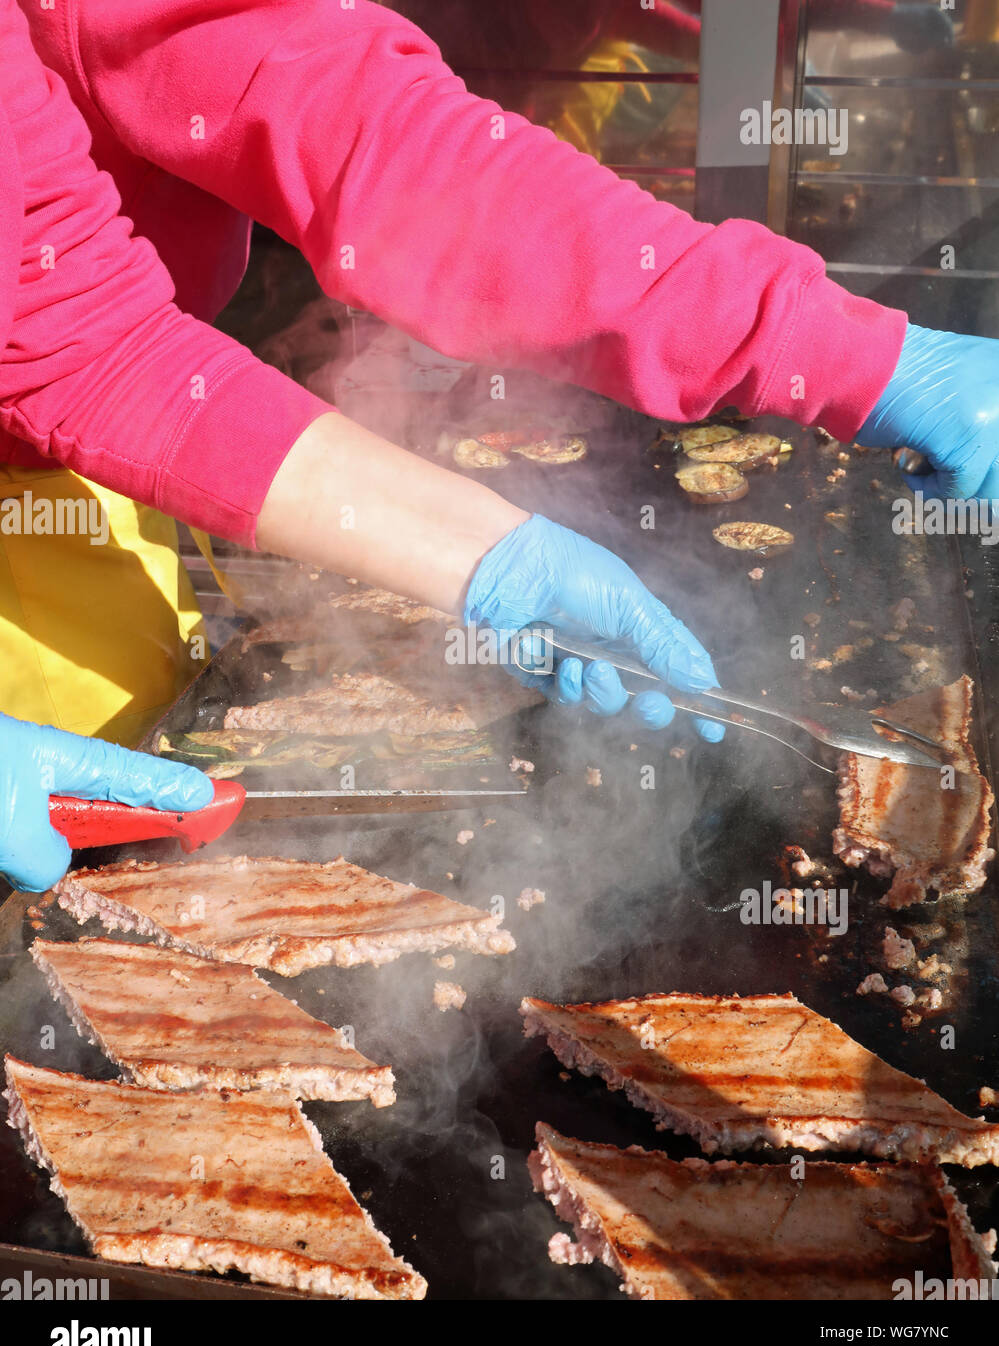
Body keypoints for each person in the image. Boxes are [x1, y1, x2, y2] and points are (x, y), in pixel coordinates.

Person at [1, 0, 997, 895]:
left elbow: (374, 140)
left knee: (110, 841)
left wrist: (850, 356)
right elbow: (72, 337)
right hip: (48, 429)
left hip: (55, 463)